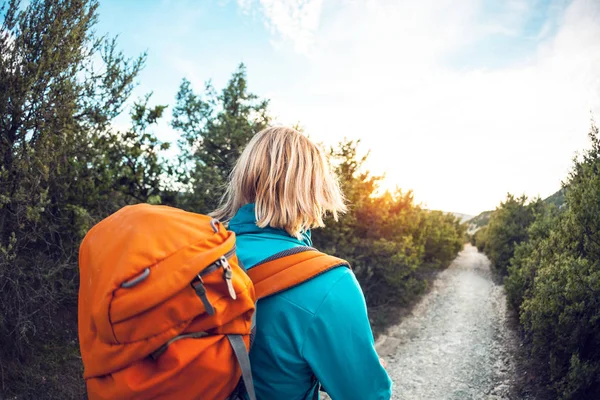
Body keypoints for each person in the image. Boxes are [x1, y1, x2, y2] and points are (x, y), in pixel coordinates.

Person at [211, 126, 393, 400]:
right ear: (315, 191)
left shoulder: (201, 255)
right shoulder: (329, 282)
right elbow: (367, 395)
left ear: (244, 179)